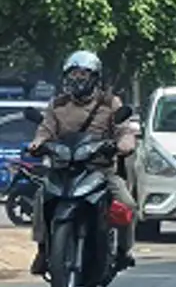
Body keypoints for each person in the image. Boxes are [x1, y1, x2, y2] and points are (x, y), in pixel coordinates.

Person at [29, 51, 140, 275]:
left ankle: (123, 250)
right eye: (73, 74)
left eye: (83, 74)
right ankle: (43, 249)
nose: (77, 79)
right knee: (41, 198)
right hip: (63, 169)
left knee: (127, 205)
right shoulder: (57, 105)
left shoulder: (110, 103)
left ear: (95, 78)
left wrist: (123, 145)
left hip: (100, 169)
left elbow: (124, 131)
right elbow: (45, 130)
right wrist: (37, 144)